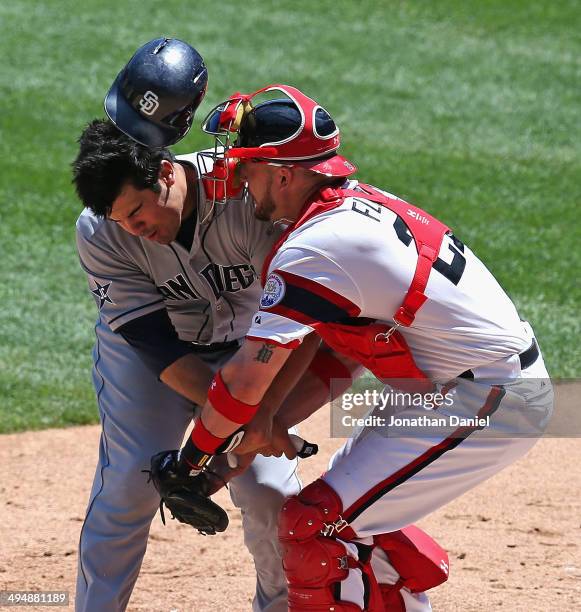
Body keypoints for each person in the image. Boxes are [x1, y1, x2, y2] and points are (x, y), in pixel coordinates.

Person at [166, 84, 554, 610]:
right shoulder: (342, 215)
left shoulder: (318, 246)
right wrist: (254, 434)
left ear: (283, 174)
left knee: (314, 526)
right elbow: (340, 355)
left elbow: (242, 380)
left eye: (247, 166)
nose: (236, 178)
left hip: (490, 395)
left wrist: (192, 461)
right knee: (354, 521)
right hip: (448, 389)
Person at [72, 40, 319, 612]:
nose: (134, 231)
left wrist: (256, 420)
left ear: (164, 172)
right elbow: (157, 349)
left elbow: (305, 324)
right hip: (151, 365)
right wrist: (234, 420)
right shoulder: (100, 233)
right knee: (129, 490)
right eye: (120, 222)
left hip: (249, 350)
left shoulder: (246, 198)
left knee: (269, 494)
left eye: (138, 215)